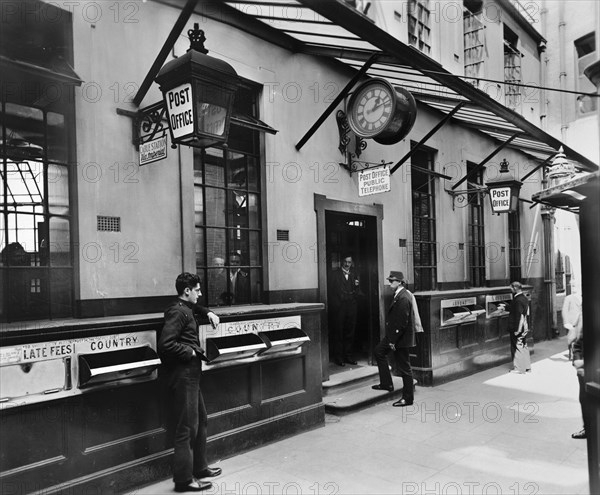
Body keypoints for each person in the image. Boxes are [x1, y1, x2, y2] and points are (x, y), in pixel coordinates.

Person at [158, 272, 222, 492]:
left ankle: (200, 468)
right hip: (184, 373)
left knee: (201, 420)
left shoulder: (184, 307)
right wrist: (191, 353)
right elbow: (166, 345)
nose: (200, 293)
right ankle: (183, 480)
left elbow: (195, 309)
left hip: (191, 374)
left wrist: (209, 312)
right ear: (187, 291)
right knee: (187, 427)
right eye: (197, 290)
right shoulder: (177, 311)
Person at [372, 271, 417, 407]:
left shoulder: (403, 297)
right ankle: (386, 383)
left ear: (400, 282)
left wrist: (393, 341)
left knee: (405, 368)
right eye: (390, 281)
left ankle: (408, 398)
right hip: (394, 336)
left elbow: (402, 323)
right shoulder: (400, 294)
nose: (390, 283)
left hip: (399, 338)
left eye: (392, 281)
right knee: (379, 351)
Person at [328, 255, 360, 366]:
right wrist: (336, 305)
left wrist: (354, 300)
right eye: (345, 262)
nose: (347, 264)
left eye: (349, 262)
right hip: (339, 308)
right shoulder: (334, 274)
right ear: (342, 262)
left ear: (352, 263)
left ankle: (348, 356)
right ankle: (339, 358)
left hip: (351, 307)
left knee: (349, 332)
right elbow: (330, 291)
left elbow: (357, 289)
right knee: (338, 332)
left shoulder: (354, 273)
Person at [508, 281, 531, 374]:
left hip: (518, 327)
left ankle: (518, 368)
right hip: (524, 326)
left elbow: (519, 316)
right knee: (523, 346)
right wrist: (505, 307)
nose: (510, 289)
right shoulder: (523, 298)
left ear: (515, 288)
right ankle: (527, 367)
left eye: (511, 288)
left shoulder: (517, 300)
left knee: (517, 346)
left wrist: (517, 330)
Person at [571, 331, 589, 439]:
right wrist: (578, 360)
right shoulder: (590, 323)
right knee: (584, 400)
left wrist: (584, 363)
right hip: (584, 373)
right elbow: (578, 345)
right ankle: (588, 429)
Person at [562, 282, 582, 359]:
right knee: (572, 338)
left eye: (576, 286)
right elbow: (564, 310)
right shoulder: (568, 298)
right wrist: (566, 322)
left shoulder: (582, 297)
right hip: (572, 322)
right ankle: (572, 353)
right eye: (573, 286)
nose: (574, 288)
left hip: (581, 321)